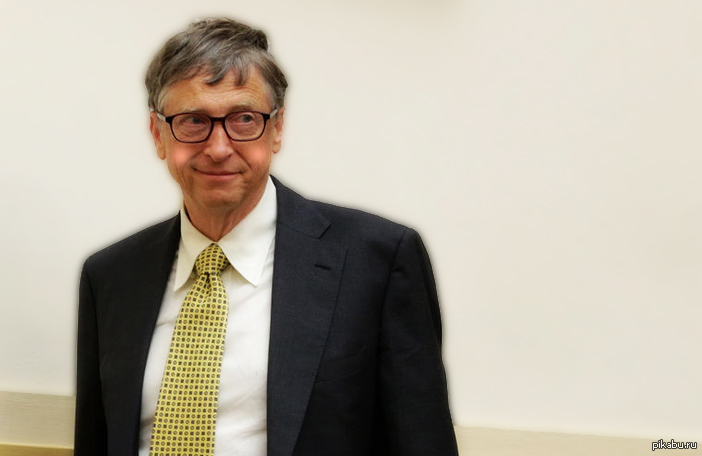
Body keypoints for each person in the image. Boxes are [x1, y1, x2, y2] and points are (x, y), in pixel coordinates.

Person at [74, 17, 458, 456]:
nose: (219, 148)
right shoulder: (111, 277)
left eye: (243, 119)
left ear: (277, 129)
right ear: (158, 134)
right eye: (193, 121)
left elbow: (422, 441)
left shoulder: (377, 262)